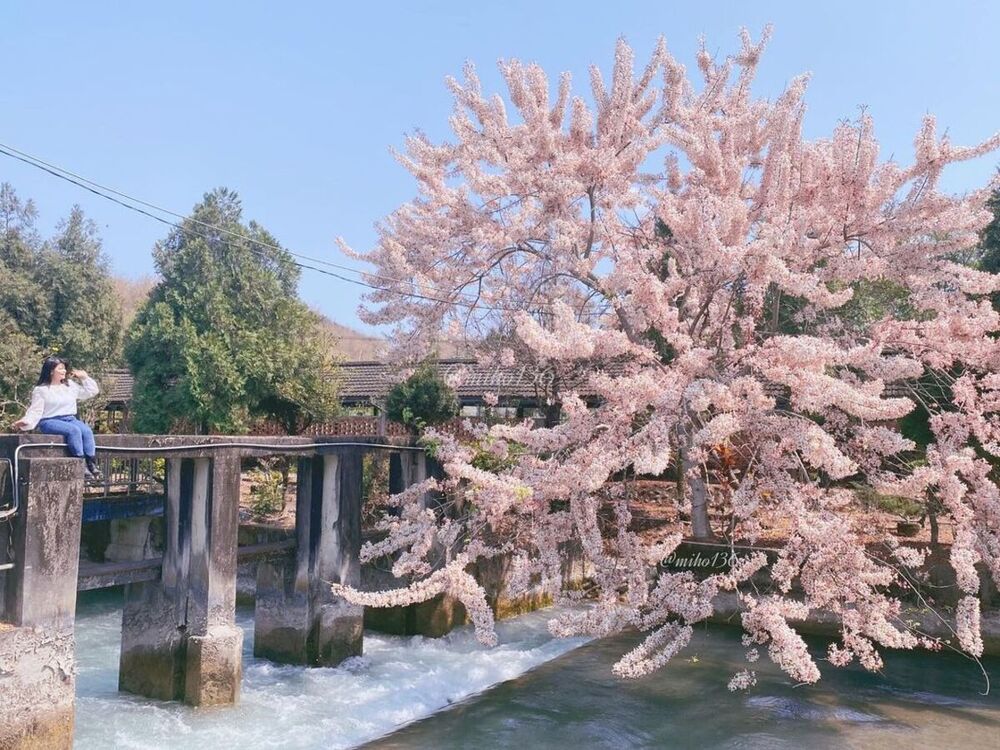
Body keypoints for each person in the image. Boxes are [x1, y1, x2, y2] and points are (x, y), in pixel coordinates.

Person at [12, 356, 103, 479]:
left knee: (86, 430)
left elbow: (91, 391)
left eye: (64, 368)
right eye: (60, 369)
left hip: (70, 419)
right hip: (50, 421)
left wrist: (84, 378)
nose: (64, 371)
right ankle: (81, 463)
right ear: (51, 371)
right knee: (74, 431)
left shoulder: (69, 386)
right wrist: (26, 421)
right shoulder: (41, 390)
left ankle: (91, 463)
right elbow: (36, 410)